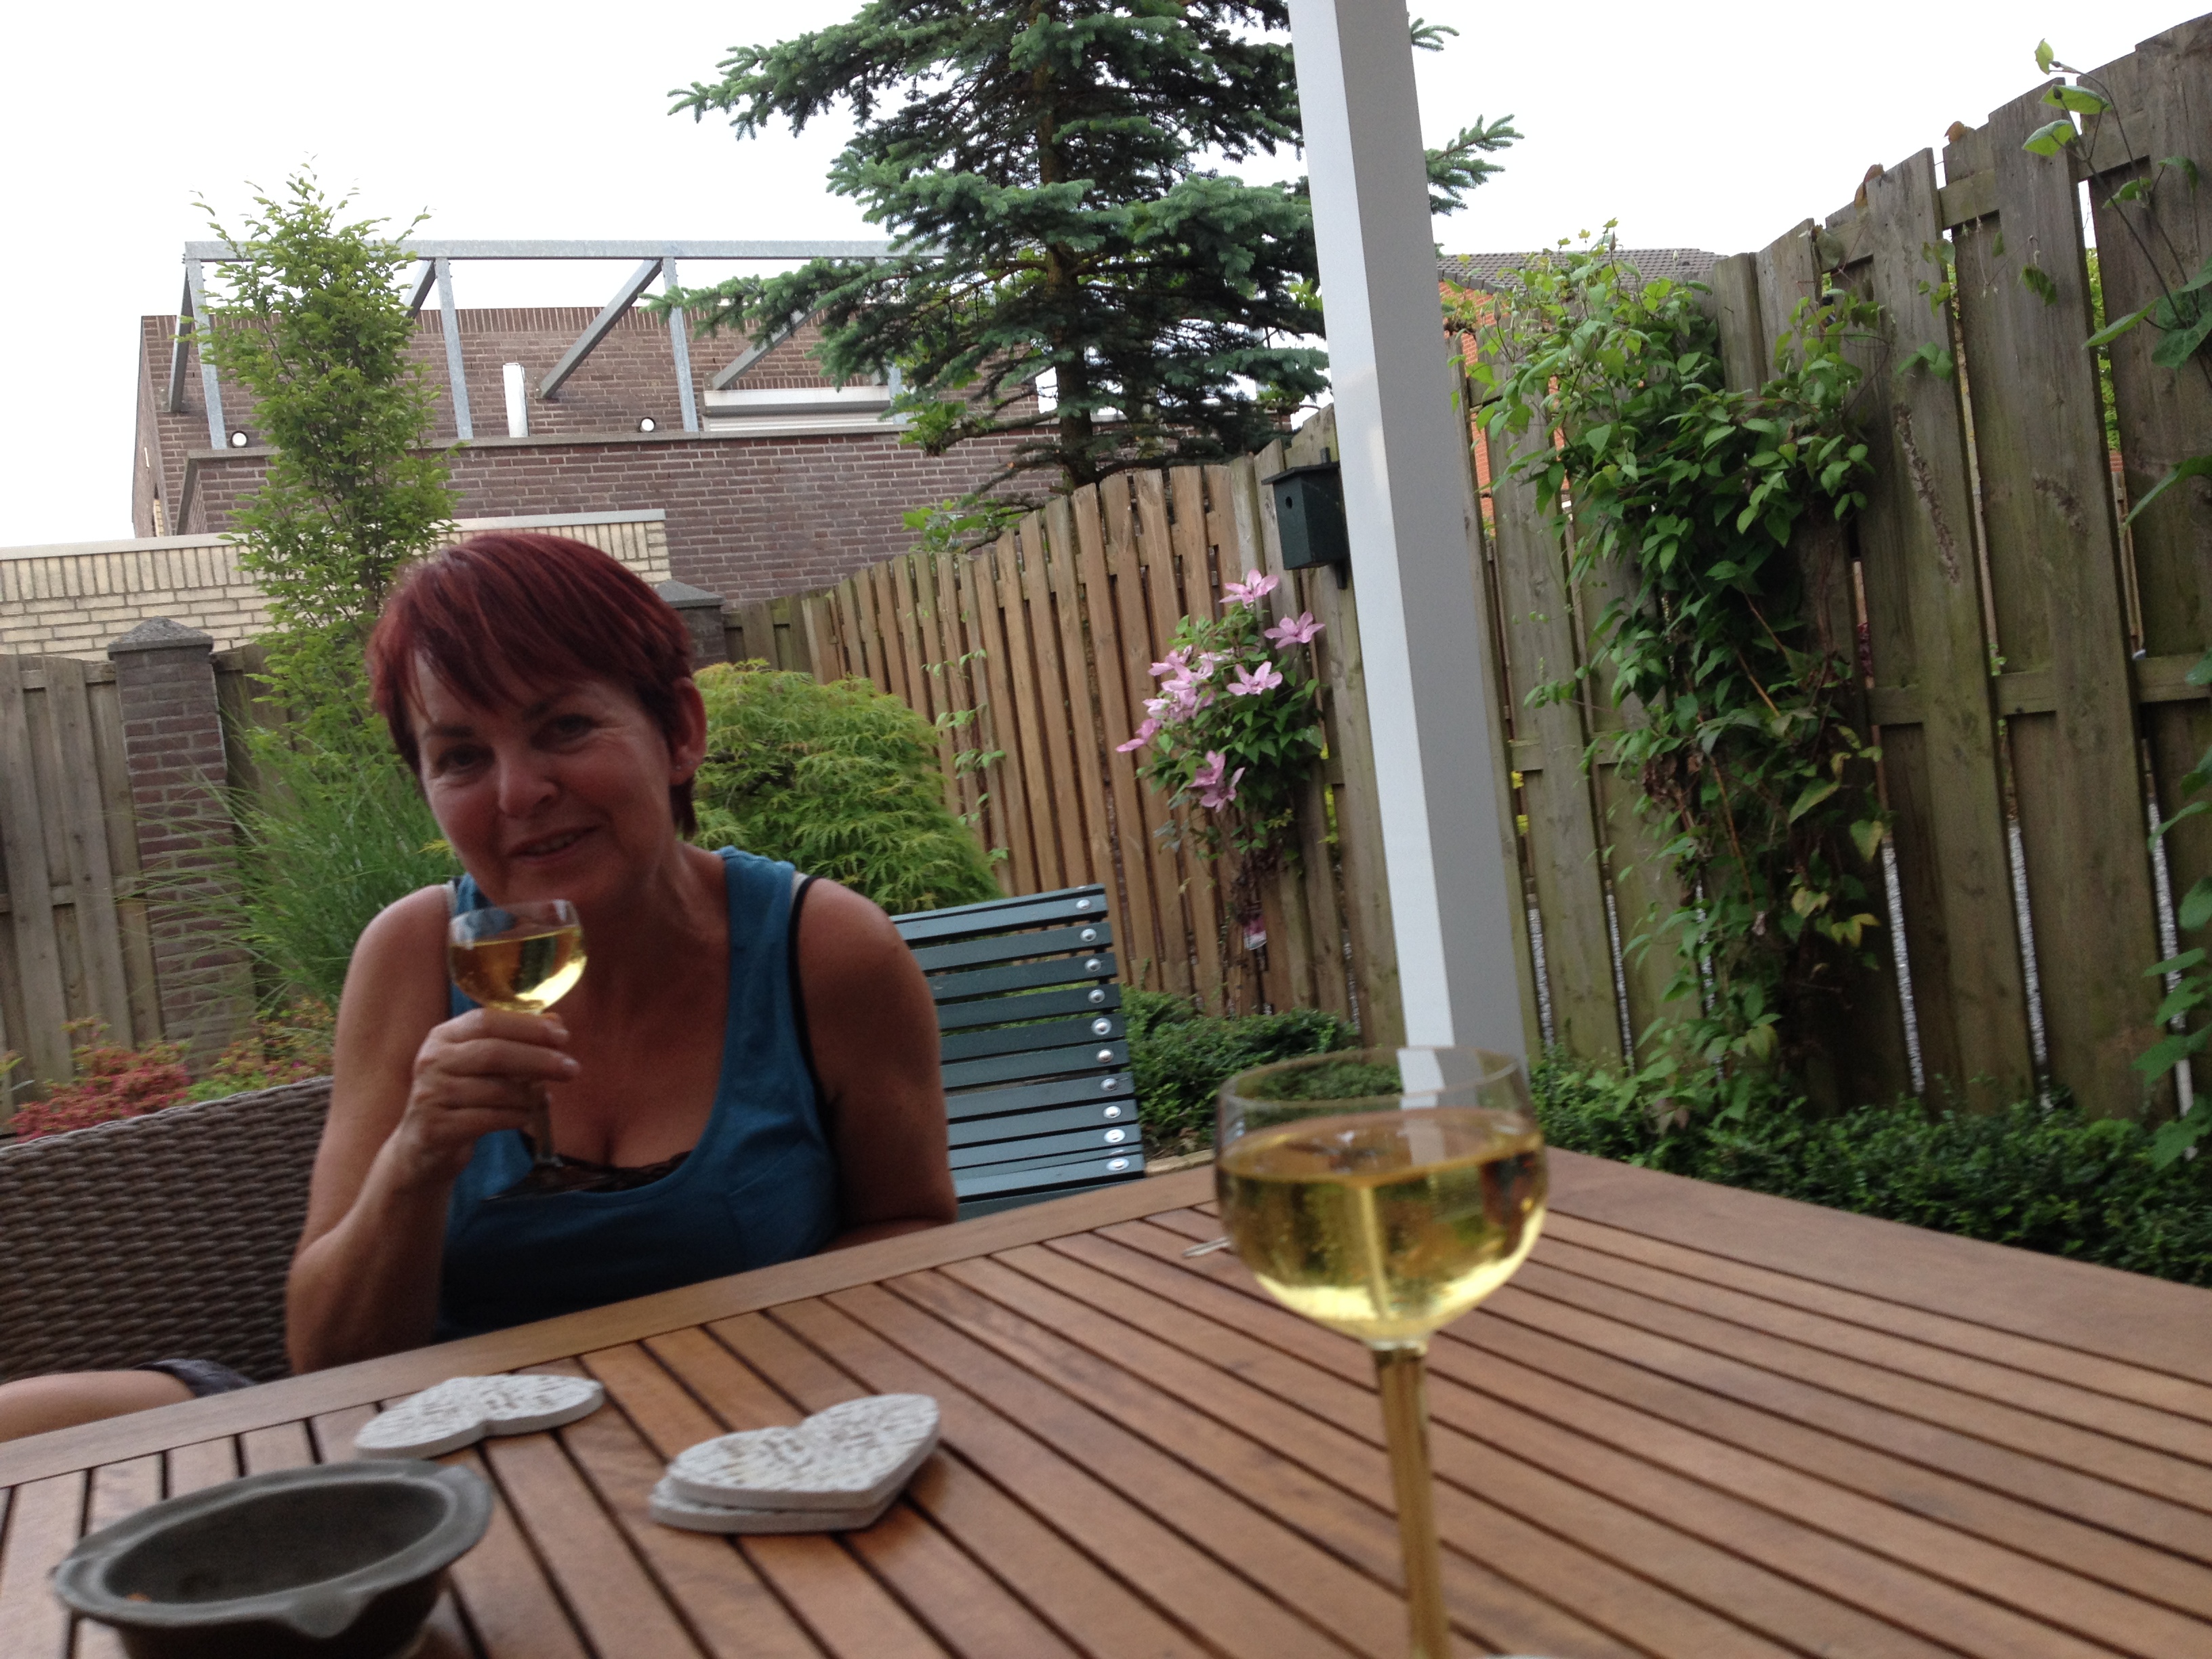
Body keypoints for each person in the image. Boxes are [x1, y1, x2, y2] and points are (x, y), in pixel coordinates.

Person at [0, 533, 955, 1441]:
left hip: (760, 1438)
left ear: (679, 734)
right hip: (465, 1478)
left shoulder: (824, 950)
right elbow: (327, 1359)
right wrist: (417, 1158)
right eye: (461, 756)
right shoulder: (411, 957)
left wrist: (721, 1380)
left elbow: (910, 1229)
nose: (517, 792)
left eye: (565, 727)